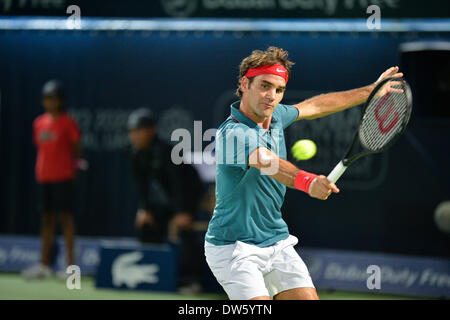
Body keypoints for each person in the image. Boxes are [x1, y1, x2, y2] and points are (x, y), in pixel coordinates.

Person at [204, 46, 403, 300]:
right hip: (234, 248)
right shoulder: (232, 133)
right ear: (245, 83)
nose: (272, 96)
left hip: (276, 241)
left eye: (279, 90)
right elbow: (268, 163)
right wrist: (308, 182)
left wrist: (371, 91)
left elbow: (316, 105)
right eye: (264, 86)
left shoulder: (276, 116)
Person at [127, 108, 204, 291]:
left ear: (151, 130)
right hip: (164, 201)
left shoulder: (167, 151)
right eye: (132, 132)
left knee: (183, 229)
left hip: (188, 195)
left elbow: (180, 184)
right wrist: (144, 209)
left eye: (139, 131)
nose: (135, 136)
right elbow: (141, 186)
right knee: (146, 224)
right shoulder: (134, 154)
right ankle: (154, 274)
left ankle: (191, 281)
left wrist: (183, 212)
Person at [23, 80, 82, 280]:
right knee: (46, 220)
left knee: (66, 220)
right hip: (44, 177)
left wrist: (71, 167)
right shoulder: (38, 123)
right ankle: (44, 265)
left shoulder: (68, 122)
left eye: (53, 98)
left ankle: (70, 267)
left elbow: (76, 149)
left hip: (64, 176)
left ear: (60, 101)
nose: (50, 102)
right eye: (46, 98)